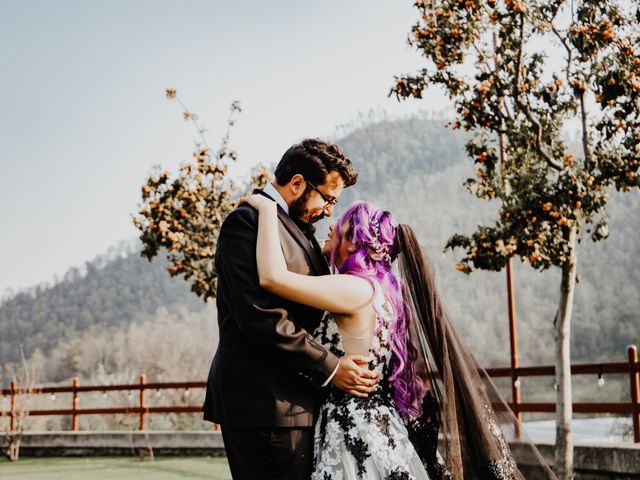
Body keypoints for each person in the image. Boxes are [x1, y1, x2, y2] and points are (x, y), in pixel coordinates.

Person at [240, 195, 557, 479]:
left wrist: (268, 208)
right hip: (380, 422)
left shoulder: (353, 288)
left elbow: (272, 278)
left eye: (342, 224)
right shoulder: (383, 292)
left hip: (352, 428)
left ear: (353, 242)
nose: (332, 224)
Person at [202, 139, 379, 480]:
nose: (329, 210)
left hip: (296, 401)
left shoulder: (301, 230)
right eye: (327, 198)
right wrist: (331, 368)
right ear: (298, 183)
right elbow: (259, 316)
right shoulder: (246, 223)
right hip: (265, 403)